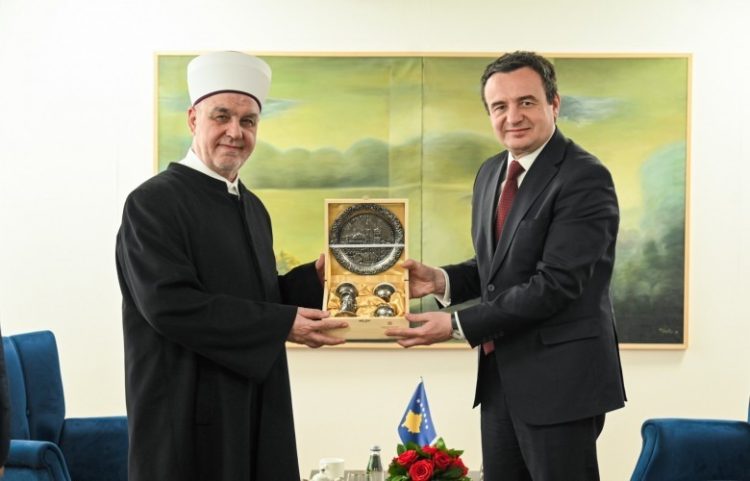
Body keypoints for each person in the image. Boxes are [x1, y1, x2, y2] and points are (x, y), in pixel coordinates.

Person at [386, 51, 626, 481]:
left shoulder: (584, 177)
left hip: (562, 385)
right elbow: (500, 267)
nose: (512, 116)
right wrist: (441, 280)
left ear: (554, 103)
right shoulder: (491, 172)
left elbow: (555, 283)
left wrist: (456, 325)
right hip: (500, 381)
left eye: (526, 102)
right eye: (499, 106)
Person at [116, 51, 348, 481]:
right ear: (193, 119)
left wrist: (314, 280)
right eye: (221, 116)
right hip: (186, 412)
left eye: (248, 121)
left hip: (257, 403)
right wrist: (282, 324)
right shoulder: (152, 203)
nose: (235, 132)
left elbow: (258, 295)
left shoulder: (253, 207)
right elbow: (169, 305)